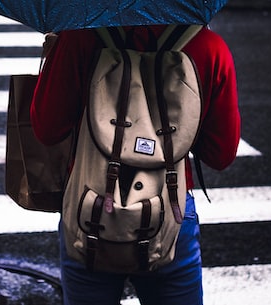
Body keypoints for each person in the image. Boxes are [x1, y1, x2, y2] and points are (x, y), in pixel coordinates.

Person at [30, 25, 241, 305]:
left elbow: (47, 129)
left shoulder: (79, 36)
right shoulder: (208, 46)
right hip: (170, 214)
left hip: (89, 208)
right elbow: (220, 154)